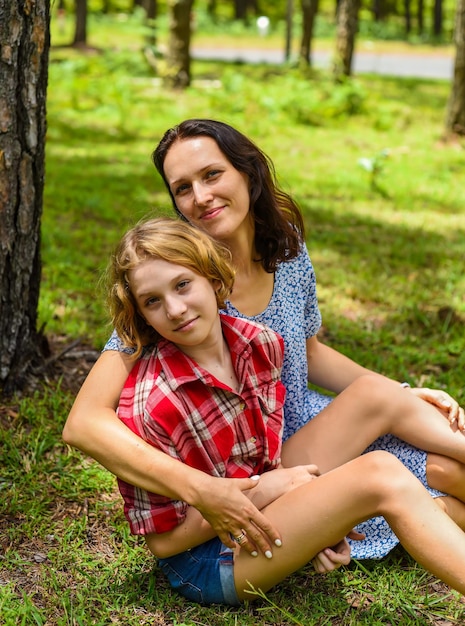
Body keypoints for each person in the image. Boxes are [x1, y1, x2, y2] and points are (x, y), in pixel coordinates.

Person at [63, 119, 465, 564]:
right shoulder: (180, 285)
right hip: (261, 461)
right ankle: (395, 522)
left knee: (447, 464)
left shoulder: (286, 248)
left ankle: (413, 521)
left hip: (313, 422)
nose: (200, 197)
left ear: (248, 173)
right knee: (441, 472)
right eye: (182, 188)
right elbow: (84, 422)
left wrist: (402, 395)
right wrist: (203, 489)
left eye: (212, 175)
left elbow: (308, 351)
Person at [104, 216, 465, 606]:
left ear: (212, 277)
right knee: (380, 474)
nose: (174, 309)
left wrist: (316, 518)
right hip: (211, 559)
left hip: (267, 490)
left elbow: (267, 459)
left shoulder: (256, 343)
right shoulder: (152, 405)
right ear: (140, 314)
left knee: (376, 394)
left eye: (183, 285)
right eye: (152, 301)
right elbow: (164, 544)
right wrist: (269, 493)